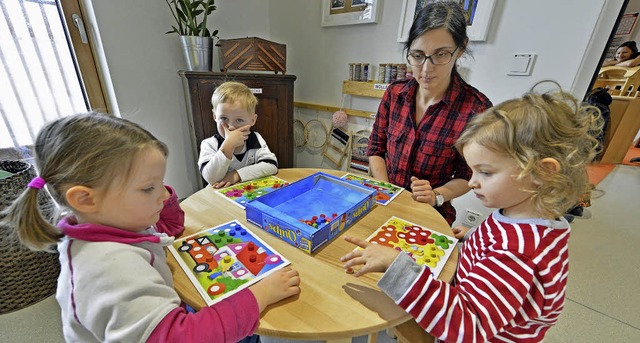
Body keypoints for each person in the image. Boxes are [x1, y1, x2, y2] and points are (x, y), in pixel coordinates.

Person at [0, 112, 300, 343]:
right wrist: (259, 296)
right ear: (85, 199)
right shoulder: (108, 268)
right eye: (147, 188)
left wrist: (161, 195)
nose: (165, 193)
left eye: (162, 183)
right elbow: (178, 337)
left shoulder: (112, 219)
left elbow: (172, 225)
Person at [341, 85, 603, 342]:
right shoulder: (523, 215)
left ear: (542, 172)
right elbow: (500, 246)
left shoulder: (517, 252)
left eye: (486, 172)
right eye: (473, 171)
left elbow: (468, 326)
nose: (473, 182)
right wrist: (474, 238)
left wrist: (396, 266)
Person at [366, 1, 492, 225]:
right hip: (384, 205)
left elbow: (469, 174)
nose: (426, 69)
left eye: (440, 54)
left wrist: (437, 195)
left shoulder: (476, 109)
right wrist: (388, 192)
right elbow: (376, 149)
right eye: (417, 55)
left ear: (460, 49)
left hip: (430, 216)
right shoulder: (395, 94)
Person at [198, 81, 278, 188]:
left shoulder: (255, 139)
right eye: (224, 118)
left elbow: (271, 165)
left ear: (252, 120)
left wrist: (237, 174)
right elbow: (211, 178)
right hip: (217, 198)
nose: (231, 127)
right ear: (214, 116)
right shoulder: (209, 144)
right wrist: (228, 146)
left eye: (239, 120)